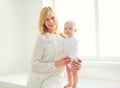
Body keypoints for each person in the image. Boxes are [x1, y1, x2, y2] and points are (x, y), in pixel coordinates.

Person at [26, 7, 82, 88]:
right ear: (43, 22)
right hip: (37, 78)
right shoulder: (41, 38)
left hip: (55, 77)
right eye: (47, 19)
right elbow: (34, 65)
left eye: (52, 18)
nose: (51, 21)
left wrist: (78, 64)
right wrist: (55, 65)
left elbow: (74, 50)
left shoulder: (63, 36)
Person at [62, 20, 81, 88]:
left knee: (74, 73)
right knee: (68, 72)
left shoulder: (75, 39)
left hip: (73, 60)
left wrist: (70, 57)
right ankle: (70, 83)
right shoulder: (65, 38)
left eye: (70, 29)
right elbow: (64, 48)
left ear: (75, 30)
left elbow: (75, 50)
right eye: (65, 28)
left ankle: (74, 85)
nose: (67, 30)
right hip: (67, 59)